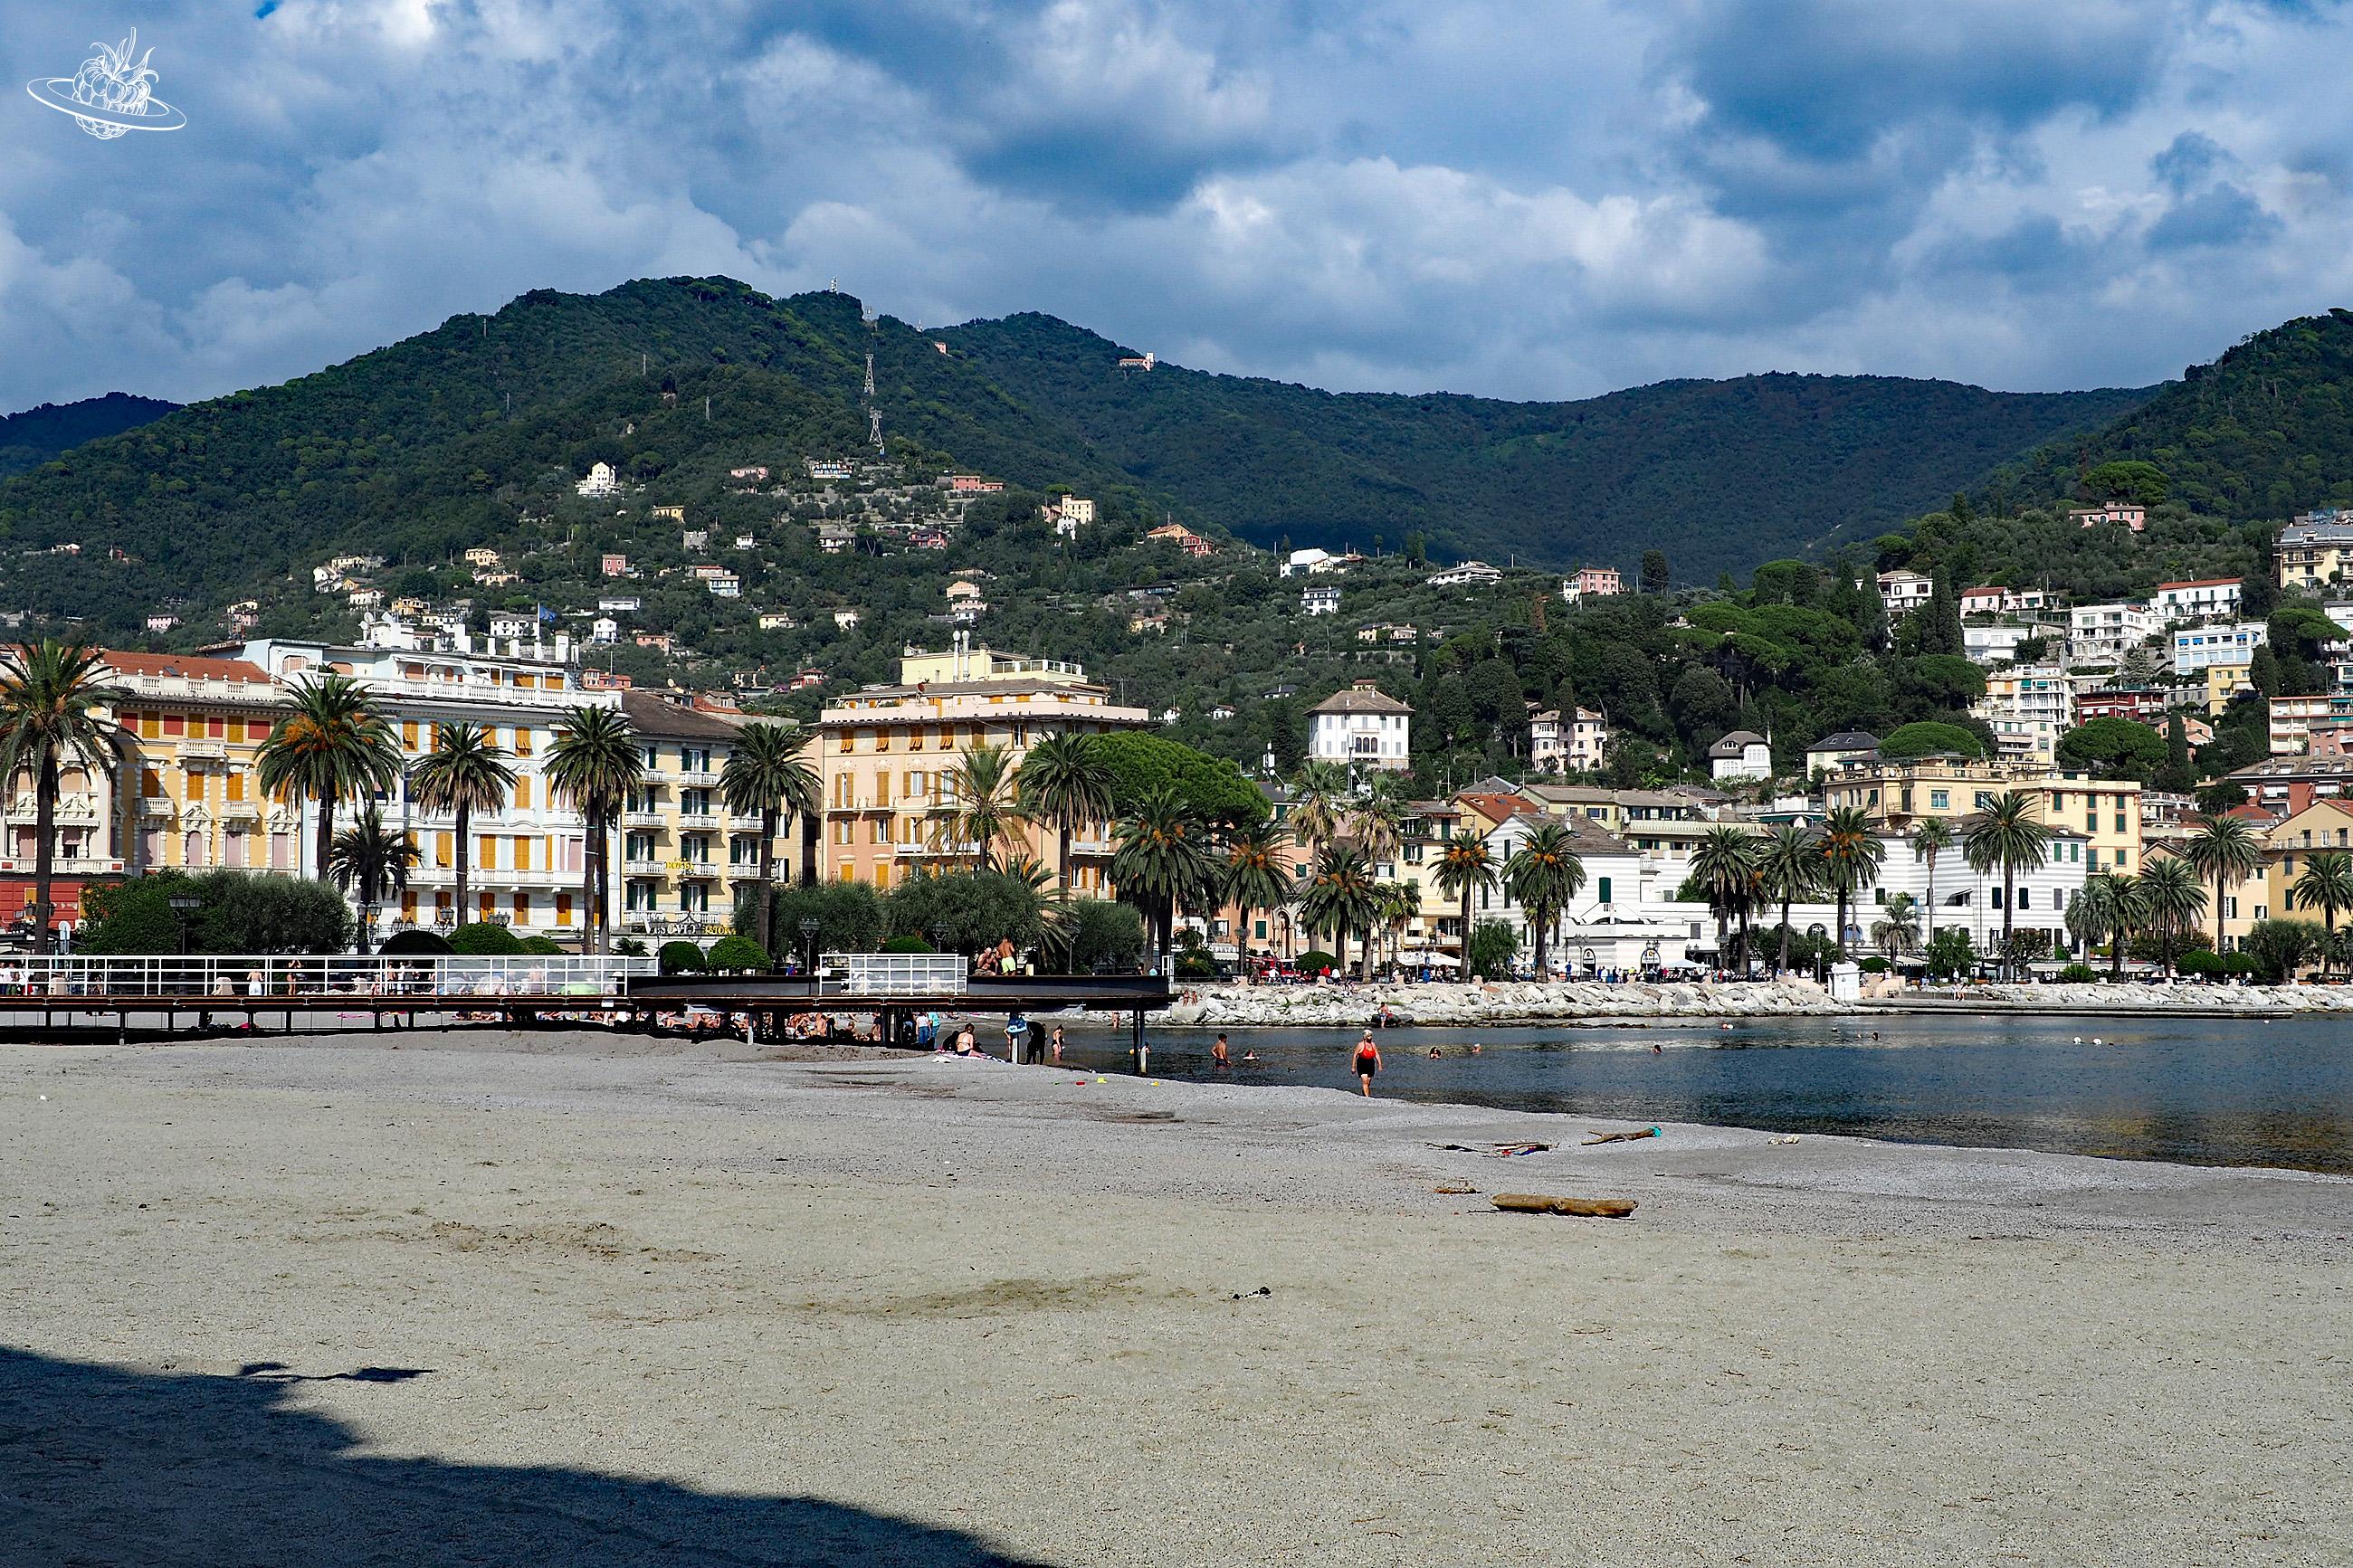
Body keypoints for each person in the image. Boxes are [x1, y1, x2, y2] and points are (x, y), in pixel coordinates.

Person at [1353, 1030, 1381, 1097]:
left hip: (1371, 1064)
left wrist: (1379, 1064)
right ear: (1365, 1037)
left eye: (1371, 1036)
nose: (1370, 1037)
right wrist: (1353, 1067)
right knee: (1365, 1081)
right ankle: (1367, 1097)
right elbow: (1355, 1055)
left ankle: (1364, 1093)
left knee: (1368, 1082)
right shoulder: (1360, 1045)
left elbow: (1377, 1054)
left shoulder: (1373, 1044)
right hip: (1362, 1064)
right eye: (1369, 1036)